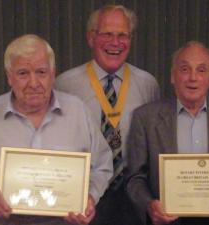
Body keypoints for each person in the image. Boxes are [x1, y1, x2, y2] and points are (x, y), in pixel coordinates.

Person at [0, 34, 113, 225]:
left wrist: (89, 197)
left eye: (41, 72)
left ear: (53, 74)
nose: (34, 83)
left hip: (64, 220)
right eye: (23, 73)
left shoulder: (78, 111)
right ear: (9, 77)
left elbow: (102, 166)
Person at [125, 41, 209, 225]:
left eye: (202, 70)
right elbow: (135, 178)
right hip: (169, 220)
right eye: (185, 69)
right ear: (173, 76)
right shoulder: (145, 118)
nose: (192, 77)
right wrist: (149, 205)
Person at [55, 4, 160, 225]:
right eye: (107, 34)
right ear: (91, 38)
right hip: (85, 195)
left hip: (133, 195)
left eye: (123, 35)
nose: (115, 42)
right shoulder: (65, 84)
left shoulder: (148, 84)